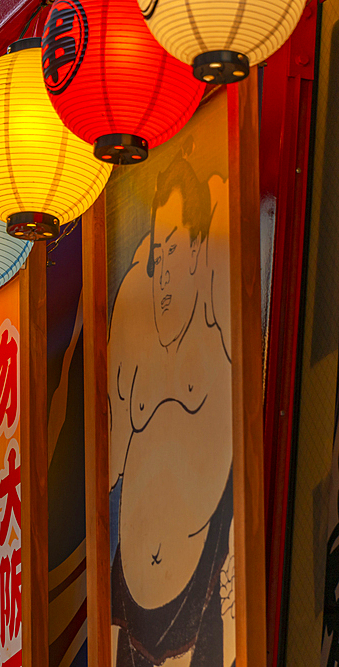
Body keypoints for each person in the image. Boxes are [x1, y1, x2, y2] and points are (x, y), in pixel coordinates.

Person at [109, 152, 235, 666]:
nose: (162, 272)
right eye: (157, 253)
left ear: (199, 247)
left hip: (196, 603)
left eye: (174, 247)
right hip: (128, 612)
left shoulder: (215, 347)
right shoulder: (134, 337)